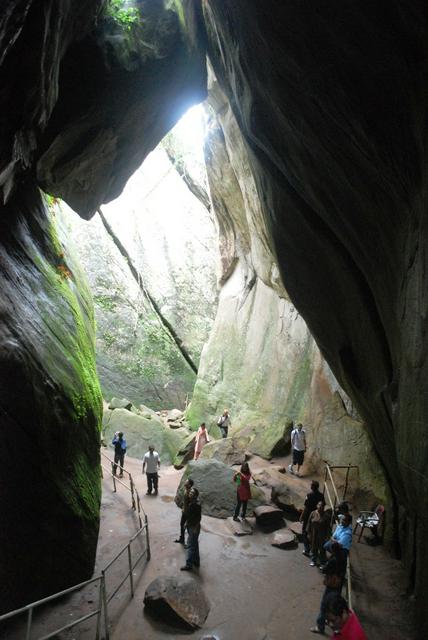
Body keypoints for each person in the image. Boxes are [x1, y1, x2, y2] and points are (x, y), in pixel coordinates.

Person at [310, 543, 347, 635]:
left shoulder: (333, 560)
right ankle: (336, 627)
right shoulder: (343, 556)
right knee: (336, 607)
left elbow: (325, 569)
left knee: (324, 605)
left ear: (333, 550)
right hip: (339, 583)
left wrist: (322, 568)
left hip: (332, 585)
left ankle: (320, 626)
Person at [300, 480, 325, 556]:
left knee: (305, 531)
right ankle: (313, 549)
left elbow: (306, 507)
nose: (310, 485)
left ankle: (307, 549)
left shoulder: (309, 495)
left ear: (312, 487)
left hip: (309, 515)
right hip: (317, 515)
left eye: (311, 485)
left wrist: (301, 516)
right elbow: (323, 505)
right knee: (314, 532)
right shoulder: (321, 495)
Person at [181, 487, 202, 571]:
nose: (190, 493)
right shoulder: (191, 503)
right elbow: (190, 516)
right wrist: (186, 523)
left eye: (192, 493)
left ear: (196, 495)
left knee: (190, 545)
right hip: (190, 526)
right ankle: (196, 561)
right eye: (190, 492)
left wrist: (195, 528)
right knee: (195, 545)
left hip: (194, 528)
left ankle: (189, 564)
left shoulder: (196, 505)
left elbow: (199, 518)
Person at [307, 501, 331, 567]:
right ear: (317, 505)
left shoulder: (326, 516)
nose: (320, 506)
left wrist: (328, 536)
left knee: (322, 549)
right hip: (314, 534)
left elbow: (328, 527)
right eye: (319, 505)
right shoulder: (313, 513)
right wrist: (308, 533)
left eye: (322, 505)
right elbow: (309, 523)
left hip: (322, 535)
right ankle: (313, 560)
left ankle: (322, 562)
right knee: (314, 548)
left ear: (324, 507)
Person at [175, 478, 194, 544]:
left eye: (186, 482)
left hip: (188, 513)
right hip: (184, 512)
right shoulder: (186, 490)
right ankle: (182, 539)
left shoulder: (190, 493)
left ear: (189, 485)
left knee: (188, 527)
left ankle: (191, 542)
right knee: (182, 525)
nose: (185, 483)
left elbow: (191, 504)